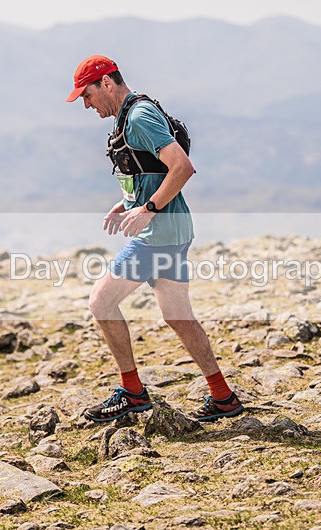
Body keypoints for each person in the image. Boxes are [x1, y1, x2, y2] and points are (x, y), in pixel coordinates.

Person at [66, 55, 244, 423]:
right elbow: (154, 170)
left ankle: (132, 391)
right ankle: (223, 397)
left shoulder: (138, 116)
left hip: (157, 235)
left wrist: (146, 208)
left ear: (106, 84)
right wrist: (127, 203)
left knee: (101, 303)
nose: (86, 104)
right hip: (172, 230)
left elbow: (182, 167)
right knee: (178, 317)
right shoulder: (129, 115)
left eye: (87, 95)